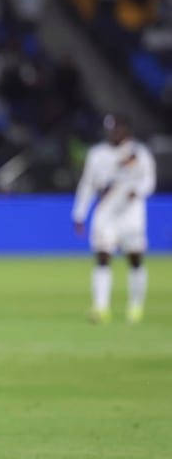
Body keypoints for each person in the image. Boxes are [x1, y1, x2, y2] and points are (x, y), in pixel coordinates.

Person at [72, 113, 156, 324]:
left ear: (126, 129)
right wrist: (79, 213)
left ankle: (135, 307)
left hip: (131, 215)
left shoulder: (139, 153)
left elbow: (149, 180)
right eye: (111, 129)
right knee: (102, 257)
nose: (114, 133)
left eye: (118, 128)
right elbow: (88, 185)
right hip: (106, 214)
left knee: (135, 259)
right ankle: (101, 308)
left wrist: (138, 191)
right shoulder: (97, 154)